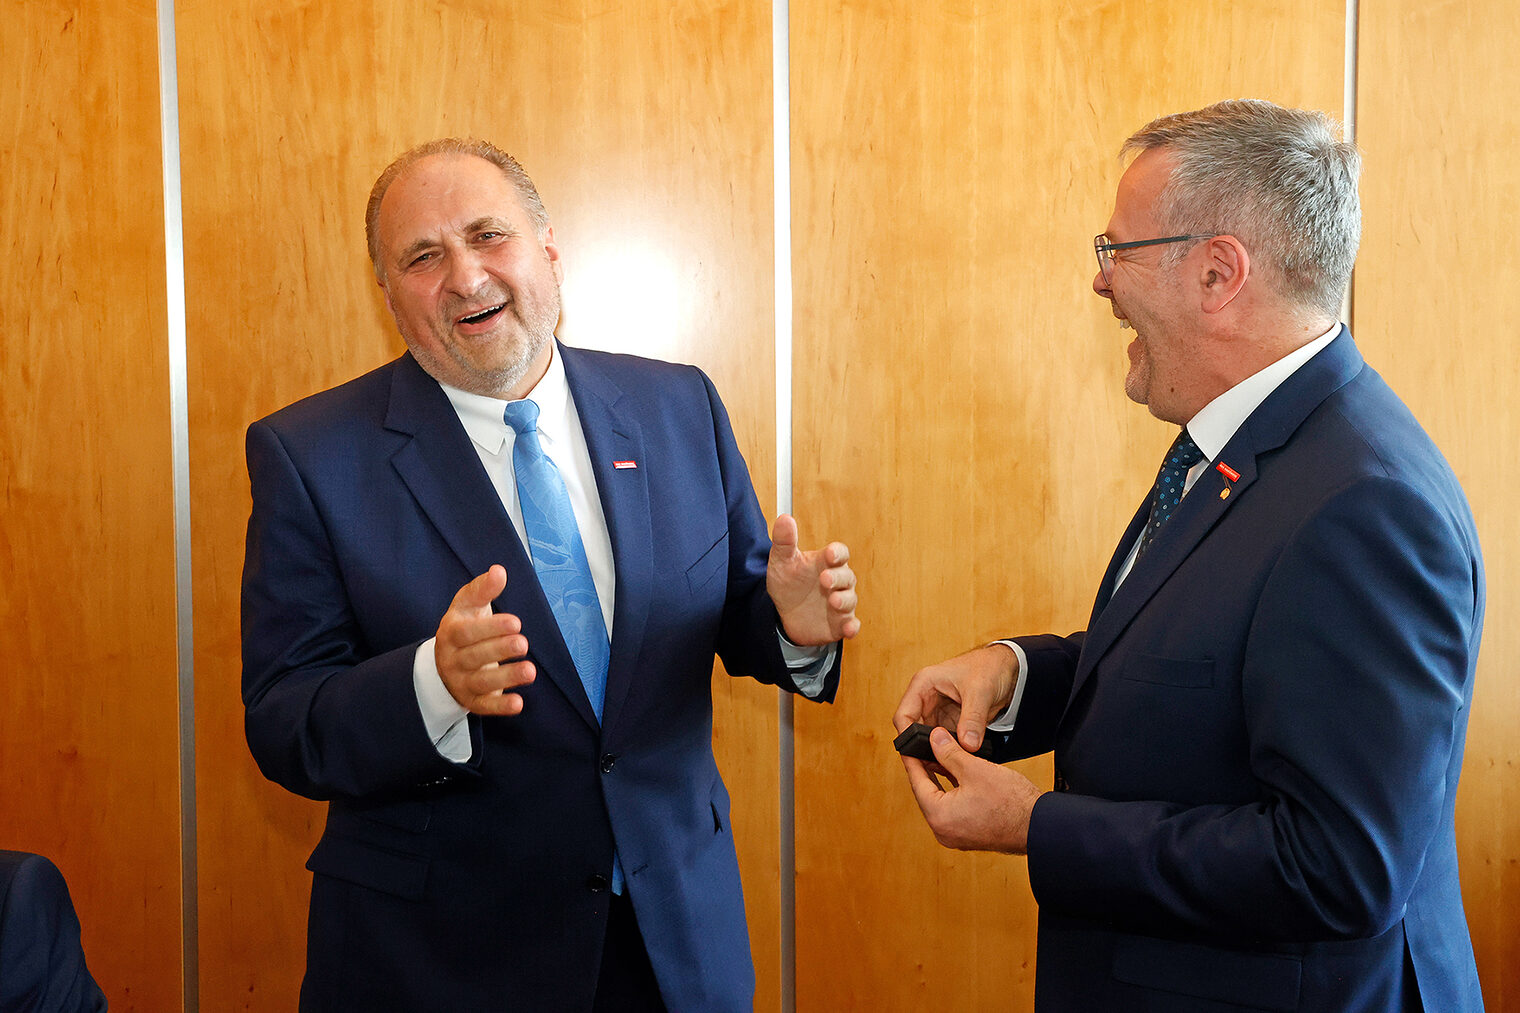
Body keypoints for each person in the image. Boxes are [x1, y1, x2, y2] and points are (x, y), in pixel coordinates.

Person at [241, 138, 860, 1012]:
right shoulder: (311, 456)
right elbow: (282, 717)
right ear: (386, 293)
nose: (465, 276)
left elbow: (727, 615)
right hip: (442, 961)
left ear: (547, 247)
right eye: (423, 256)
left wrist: (790, 624)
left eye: (489, 236)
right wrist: (432, 684)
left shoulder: (678, 405)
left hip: (673, 943)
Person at [895, 100, 1485, 1011]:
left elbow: (1335, 868)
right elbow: (1202, 656)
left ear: (1218, 273)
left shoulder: (1366, 506)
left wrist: (1040, 828)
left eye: (1116, 250)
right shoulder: (1252, 443)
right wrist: (1017, 674)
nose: (1099, 282)